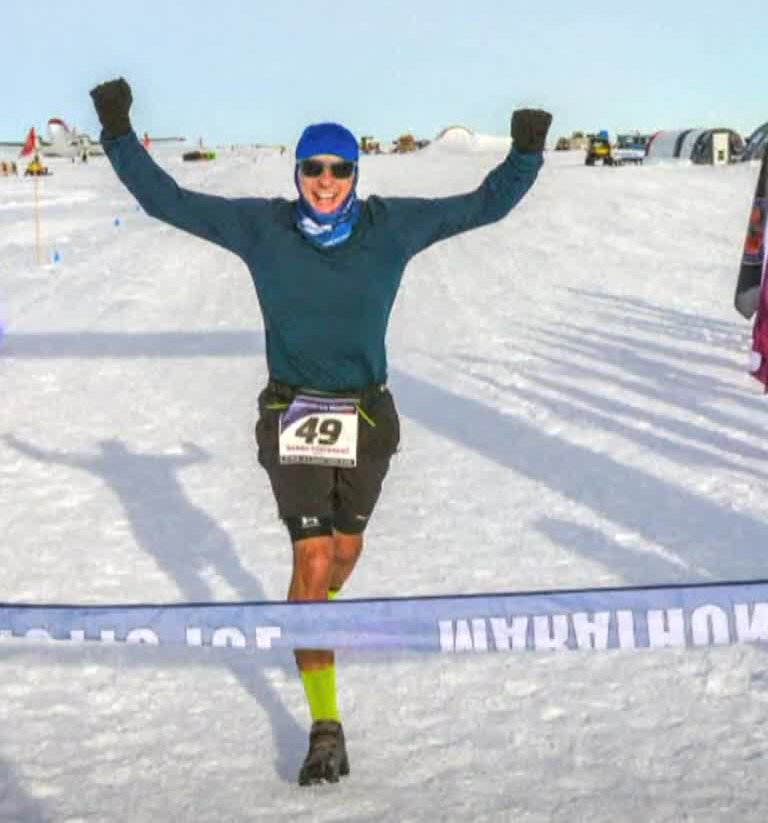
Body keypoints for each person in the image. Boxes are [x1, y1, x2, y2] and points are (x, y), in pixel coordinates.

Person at [88, 77, 550, 785]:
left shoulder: (390, 226)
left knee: (344, 553)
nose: (325, 182)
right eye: (313, 168)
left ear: (355, 176)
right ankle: (325, 724)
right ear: (297, 172)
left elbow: (482, 206)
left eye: (338, 170)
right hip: (294, 412)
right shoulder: (262, 228)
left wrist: (525, 151)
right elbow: (167, 201)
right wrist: (118, 128)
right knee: (311, 561)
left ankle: (313, 620)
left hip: (367, 416)